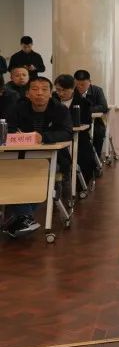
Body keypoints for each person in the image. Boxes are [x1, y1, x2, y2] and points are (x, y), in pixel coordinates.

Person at [3, 76, 72, 238]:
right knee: (10, 173)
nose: (39, 93)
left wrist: (43, 137)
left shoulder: (60, 109)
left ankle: (23, 217)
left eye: (44, 89)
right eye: (34, 89)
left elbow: (67, 132)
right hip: (20, 157)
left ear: (50, 93)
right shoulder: (17, 109)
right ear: (27, 94)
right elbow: (8, 130)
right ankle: (26, 217)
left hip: (53, 158)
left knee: (38, 172)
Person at [53, 74, 98, 183]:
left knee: (84, 155)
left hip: (78, 137)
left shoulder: (83, 103)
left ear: (73, 88)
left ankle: (79, 183)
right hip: (57, 137)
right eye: (58, 90)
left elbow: (87, 123)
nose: (60, 93)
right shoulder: (52, 101)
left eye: (64, 90)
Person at [73, 69, 109, 155]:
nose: (80, 87)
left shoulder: (97, 90)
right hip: (76, 121)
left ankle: (95, 157)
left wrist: (85, 109)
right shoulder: (72, 91)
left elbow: (104, 107)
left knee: (98, 132)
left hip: (95, 122)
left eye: (83, 84)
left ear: (89, 82)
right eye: (77, 84)